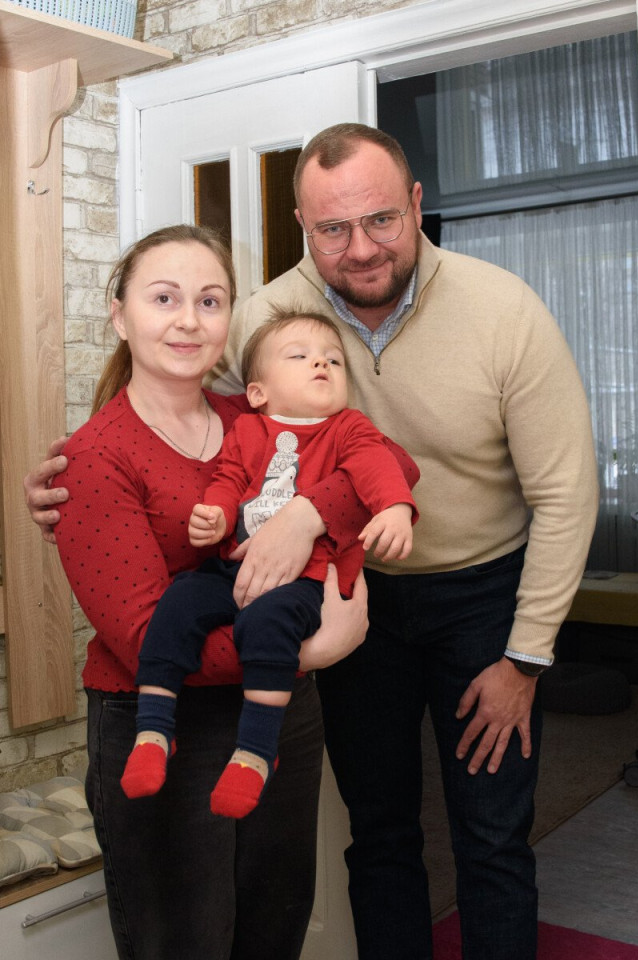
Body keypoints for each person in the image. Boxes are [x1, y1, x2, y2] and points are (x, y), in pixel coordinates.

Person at [26, 124, 599, 960]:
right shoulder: (264, 318)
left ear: (416, 204)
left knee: (490, 834)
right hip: (343, 597)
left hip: (478, 592)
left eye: (380, 220)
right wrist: (67, 489)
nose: (359, 248)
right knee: (379, 830)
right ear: (303, 227)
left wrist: (527, 656)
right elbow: (170, 418)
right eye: (333, 229)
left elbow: (555, 490)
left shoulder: (502, 309)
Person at [31, 222, 415, 960]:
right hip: (163, 720)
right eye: (164, 298)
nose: (188, 319)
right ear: (120, 315)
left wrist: (306, 516)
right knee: (187, 943)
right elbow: (143, 638)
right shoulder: (96, 458)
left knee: (275, 930)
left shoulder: (253, 415)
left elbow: (389, 462)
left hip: (278, 719)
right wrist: (310, 650)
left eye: (210, 301)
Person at [122, 308, 417, 819]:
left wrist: (394, 507)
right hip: (233, 566)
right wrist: (216, 515)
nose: (321, 365)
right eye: (300, 357)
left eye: (333, 360)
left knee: (267, 624)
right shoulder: (247, 429)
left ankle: (255, 752)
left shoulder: (348, 428)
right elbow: (229, 478)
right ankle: (153, 730)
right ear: (257, 392)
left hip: (304, 578)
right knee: (180, 601)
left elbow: (378, 467)